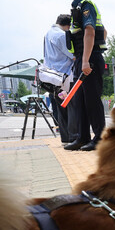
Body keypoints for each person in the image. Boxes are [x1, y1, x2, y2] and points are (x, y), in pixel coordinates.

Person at [64, 0, 107, 152]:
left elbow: (90, 32)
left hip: (88, 60)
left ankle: (99, 138)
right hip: (83, 58)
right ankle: (82, 138)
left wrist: (86, 60)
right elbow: (104, 31)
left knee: (92, 100)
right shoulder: (78, 6)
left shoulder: (86, 5)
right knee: (80, 101)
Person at [43, 14, 75, 144]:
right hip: (65, 77)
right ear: (68, 26)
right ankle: (73, 137)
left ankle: (65, 138)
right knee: (71, 107)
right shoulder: (62, 35)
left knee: (60, 108)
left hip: (53, 78)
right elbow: (73, 55)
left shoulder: (48, 34)